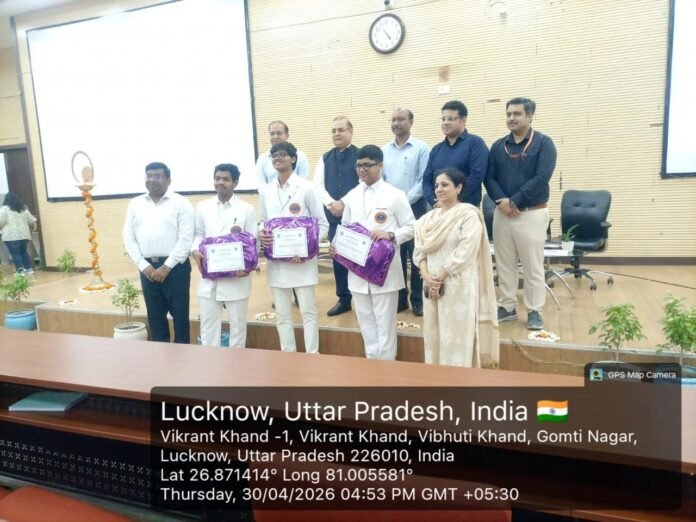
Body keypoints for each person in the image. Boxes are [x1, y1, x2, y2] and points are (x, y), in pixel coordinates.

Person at [336, 145, 415, 360]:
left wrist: (390, 234)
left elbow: (412, 227)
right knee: (366, 324)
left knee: (385, 325)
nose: (362, 170)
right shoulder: (352, 196)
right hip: (357, 271)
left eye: (367, 165)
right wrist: (338, 246)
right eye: (358, 165)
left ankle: (387, 370)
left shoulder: (395, 195)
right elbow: (345, 229)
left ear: (380, 165)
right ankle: (372, 366)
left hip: (385, 271)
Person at [414, 168, 499, 368]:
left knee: (456, 335)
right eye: (437, 185)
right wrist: (427, 277)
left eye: (445, 185)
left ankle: (458, 378)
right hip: (431, 286)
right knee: (434, 334)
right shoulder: (428, 219)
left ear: (459, 188)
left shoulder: (468, 215)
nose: (439, 189)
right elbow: (419, 252)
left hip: (458, 285)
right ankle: (435, 378)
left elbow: (466, 251)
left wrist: (439, 277)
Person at [484, 97, 557, 331]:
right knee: (504, 264)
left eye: (516, 114)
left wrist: (514, 200)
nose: (511, 118)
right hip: (502, 213)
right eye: (508, 114)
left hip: (531, 213)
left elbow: (542, 177)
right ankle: (507, 306)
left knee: (532, 265)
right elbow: (489, 178)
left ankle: (534, 310)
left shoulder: (544, 144)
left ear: (530, 116)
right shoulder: (498, 146)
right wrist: (502, 202)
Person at [259, 141, 328, 353]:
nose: (277, 158)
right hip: (277, 263)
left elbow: (322, 224)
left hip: (301, 262)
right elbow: (263, 221)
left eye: (282, 154)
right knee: (282, 314)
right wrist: (262, 234)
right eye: (274, 156)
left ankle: (312, 354)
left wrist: (306, 249)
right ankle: (287, 354)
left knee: (308, 311)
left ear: (293, 159)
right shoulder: (266, 190)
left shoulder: (306, 187)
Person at [123, 162, 194, 343]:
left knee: (180, 316)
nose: (152, 180)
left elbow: (186, 239)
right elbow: (128, 238)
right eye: (149, 176)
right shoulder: (135, 204)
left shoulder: (181, 203)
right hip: (147, 269)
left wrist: (166, 267)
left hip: (176, 268)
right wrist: (143, 266)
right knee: (155, 317)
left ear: (168, 180)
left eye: (157, 176)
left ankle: (183, 354)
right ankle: (160, 355)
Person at [192, 164, 256, 348]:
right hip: (209, 277)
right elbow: (198, 234)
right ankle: (210, 363)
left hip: (237, 277)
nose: (220, 182)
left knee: (238, 326)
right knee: (208, 326)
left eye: (226, 179)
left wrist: (248, 267)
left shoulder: (246, 209)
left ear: (235, 182)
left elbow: (253, 242)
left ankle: (237, 363)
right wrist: (195, 251)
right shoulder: (203, 207)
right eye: (217, 178)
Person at [382, 108, 429, 316]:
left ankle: (417, 300)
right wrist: (391, 204)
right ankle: (400, 299)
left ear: (411, 122)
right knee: (395, 255)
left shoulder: (421, 148)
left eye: (401, 119)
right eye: (393, 120)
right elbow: (381, 180)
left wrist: (403, 201)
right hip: (390, 211)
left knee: (416, 255)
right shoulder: (384, 150)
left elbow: (424, 179)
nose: (396, 123)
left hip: (415, 207)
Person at [314, 116, 360, 316]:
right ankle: (344, 299)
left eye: (341, 130)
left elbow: (363, 184)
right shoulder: (325, 158)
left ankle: (362, 299)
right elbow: (317, 185)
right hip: (334, 217)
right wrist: (331, 203)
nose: (337, 134)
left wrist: (344, 203)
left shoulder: (360, 155)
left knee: (359, 258)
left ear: (350, 131)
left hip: (356, 218)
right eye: (333, 131)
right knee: (338, 259)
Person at [422, 100, 488, 208]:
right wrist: (435, 202)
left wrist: (451, 201)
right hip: (438, 208)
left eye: (450, 119)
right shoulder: (436, 150)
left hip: (465, 207)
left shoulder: (475, 144)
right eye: (443, 119)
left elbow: (476, 176)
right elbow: (426, 180)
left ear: (463, 120)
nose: (445, 122)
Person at [255, 120, 310, 186]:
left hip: (296, 191)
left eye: (279, 133)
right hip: (271, 192)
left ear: (287, 135)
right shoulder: (262, 159)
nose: (275, 137)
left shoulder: (300, 156)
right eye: (272, 134)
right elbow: (261, 185)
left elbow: (304, 181)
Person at [0, 192, 37, 275]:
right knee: (23, 252)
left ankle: (20, 271)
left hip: (11, 236)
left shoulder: (4, 209)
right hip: (24, 235)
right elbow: (32, 221)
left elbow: (0, 221)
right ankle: (29, 269)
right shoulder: (23, 209)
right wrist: (33, 228)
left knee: (15, 253)